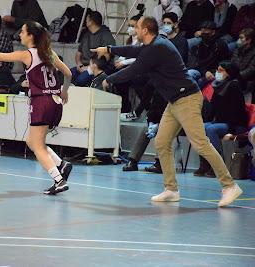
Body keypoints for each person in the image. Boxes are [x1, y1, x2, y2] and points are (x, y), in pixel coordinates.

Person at [92, 16, 243, 207]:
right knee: (162, 141)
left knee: (200, 143)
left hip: (187, 99)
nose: (135, 30)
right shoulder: (152, 45)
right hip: (175, 101)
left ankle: (229, 185)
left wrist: (108, 79)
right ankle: (171, 189)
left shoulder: (157, 48)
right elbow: (134, 50)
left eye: (137, 27)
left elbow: (132, 70)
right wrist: (110, 49)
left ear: (145, 30)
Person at [0, 21, 73, 195]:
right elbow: (68, 73)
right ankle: (62, 165)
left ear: (31, 36)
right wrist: (65, 91)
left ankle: (58, 179)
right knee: (32, 141)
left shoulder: (27, 55)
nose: (20, 35)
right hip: (55, 101)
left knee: (37, 146)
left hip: (42, 101)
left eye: (23, 32)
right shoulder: (49, 53)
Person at [195, 61, 248, 177]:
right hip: (220, 120)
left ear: (228, 73)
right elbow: (214, 107)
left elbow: (237, 110)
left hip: (233, 123)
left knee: (211, 129)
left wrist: (227, 125)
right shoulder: (217, 85)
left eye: (221, 70)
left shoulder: (234, 85)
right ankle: (205, 163)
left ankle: (217, 164)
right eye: (217, 70)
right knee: (202, 127)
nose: (217, 73)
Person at [71, 11, 115, 87]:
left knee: (80, 80)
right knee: (67, 74)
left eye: (87, 19)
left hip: (97, 68)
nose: (85, 21)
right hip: (83, 66)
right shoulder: (86, 34)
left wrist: (88, 68)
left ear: (91, 22)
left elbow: (106, 58)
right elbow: (78, 53)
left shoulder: (106, 36)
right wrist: (79, 64)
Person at [231, 28, 255, 102]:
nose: (239, 40)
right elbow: (232, 63)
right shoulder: (237, 49)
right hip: (235, 78)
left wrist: (237, 76)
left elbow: (252, 69)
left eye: (241, 38)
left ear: (249, 40)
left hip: (247, 82)